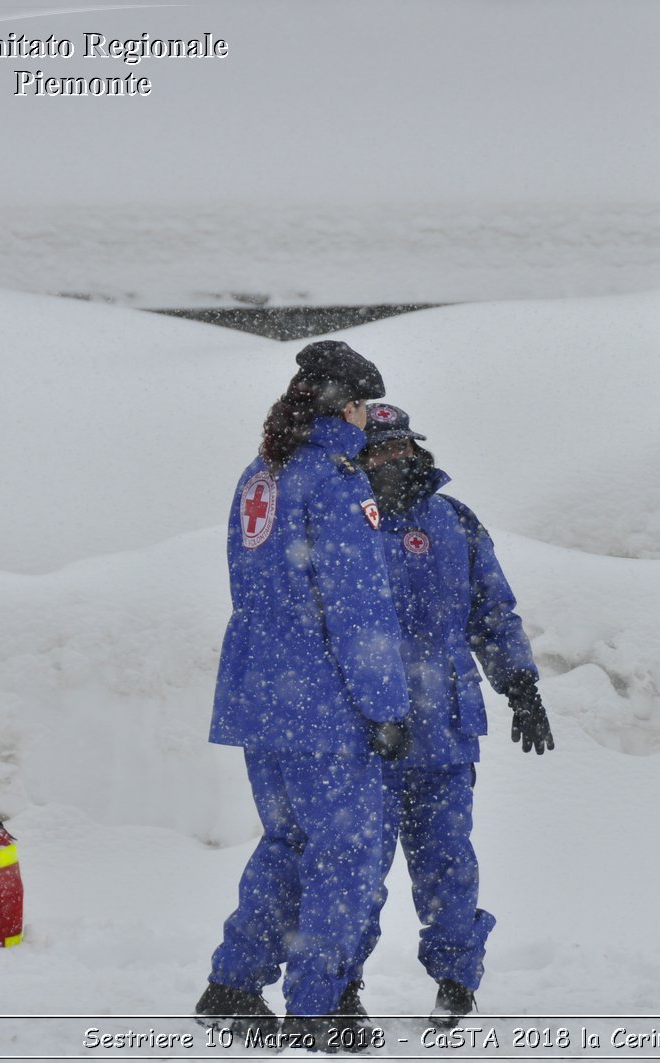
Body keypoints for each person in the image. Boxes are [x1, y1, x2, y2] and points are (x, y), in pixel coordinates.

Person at [195, 341, 414, 1053]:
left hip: (261, 695)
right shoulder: (337, 481)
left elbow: (254, 584)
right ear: (345, 406)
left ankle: (233, 985)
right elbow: (360, 607)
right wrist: (385, 705)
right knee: (345, 853)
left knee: (289, 842)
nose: (367, 417)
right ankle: (318, 1008)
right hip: (323, 702)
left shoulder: (260, 475)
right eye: (363, 404)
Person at [334, 401, 554, 1029]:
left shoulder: (455, 522)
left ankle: (456, 980)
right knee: (357, 869)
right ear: (357, 458)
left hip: (445, 730)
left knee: (448, 863)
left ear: (416, 448)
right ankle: (343, 984)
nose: (391, 459)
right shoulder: (344, 523)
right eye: (377, 450)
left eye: (400, 447)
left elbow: (493, 612)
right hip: (368, 734)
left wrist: (521, 687)